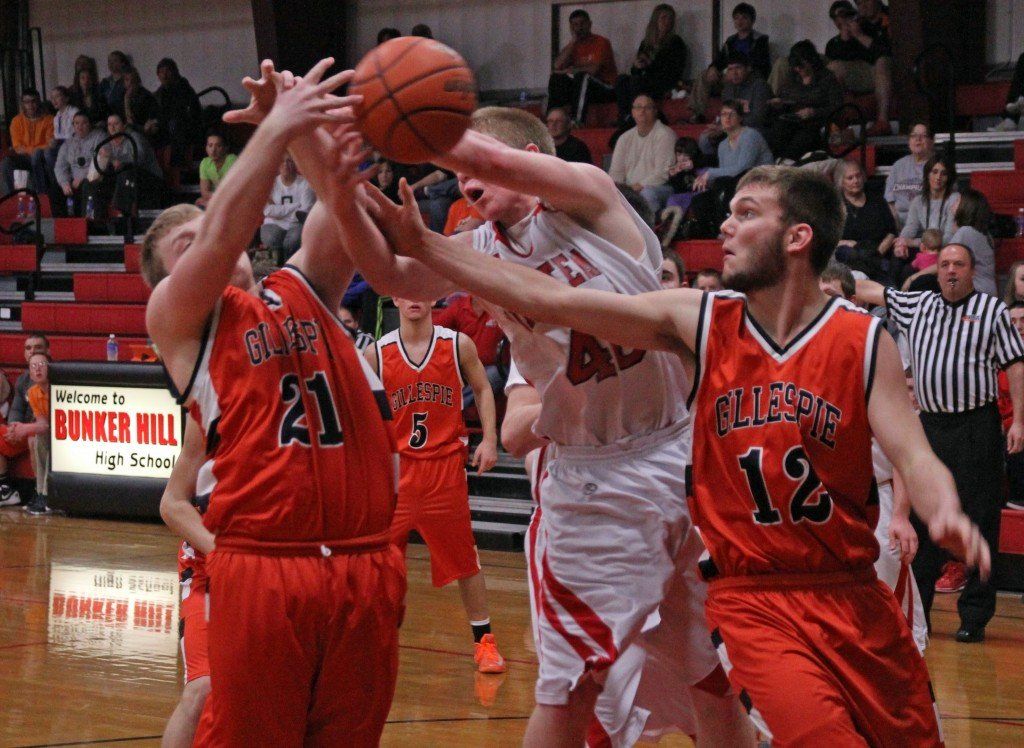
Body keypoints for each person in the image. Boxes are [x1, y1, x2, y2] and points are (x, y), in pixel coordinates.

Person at [384, 164, 989, 744]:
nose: (723, 226)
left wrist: (945, 511)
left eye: (745, 213)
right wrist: (433, 249)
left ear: (798, 237)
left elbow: (914, 455)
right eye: (727, 212)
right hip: (758, 597)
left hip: (853, 588)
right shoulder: (699, 319)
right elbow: (558, 303)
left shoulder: (861, 340)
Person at [337, 107, 752, 745]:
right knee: (574, 687)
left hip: (682, 456)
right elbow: (392, 274)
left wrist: (405, 121)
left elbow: (491, 161)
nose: (467, 184)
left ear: (535, 156)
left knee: (710, 675)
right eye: (463, 174)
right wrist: (333, 181)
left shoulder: (591, 198)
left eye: (479, 167)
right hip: (596, 480)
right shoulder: (476, 249)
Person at [143, 58, 405, 744]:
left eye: (203, 231)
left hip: (365, 561)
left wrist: (303, 134)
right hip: (265, 564)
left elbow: (339, 210)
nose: (205, 243)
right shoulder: (179, 322)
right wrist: (276, 132)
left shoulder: (303, 288)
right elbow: (227, 230)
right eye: (183, 244)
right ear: (162, 279)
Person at [857, 243, 1024, 643]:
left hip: (976, 425)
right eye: (944, 264)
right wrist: (831, 283)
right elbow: (869, 291)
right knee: (919, 520)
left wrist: (1019, 419)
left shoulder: (992, 311)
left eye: (958, 265)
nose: (950, 271)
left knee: (981, 516)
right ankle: (921, 614)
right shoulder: (919, 304)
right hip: (928, 426)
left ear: (971, 271)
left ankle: (974, 617)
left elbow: (1015, 365)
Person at [365, 296, 506, 676]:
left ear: (431, 296)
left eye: (420, 291)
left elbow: (483, 388)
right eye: (405, 292)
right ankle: (373, 640)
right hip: (398, 474)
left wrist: (490, 439)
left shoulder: (457, 344)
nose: (413, 299)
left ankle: (485, 642)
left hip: (444, 470)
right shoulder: (376, 353)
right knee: (377, 563)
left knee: (465, 561)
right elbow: (361, 411)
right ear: (395, 297)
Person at [819, 261, 928, 653]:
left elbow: (903, 454)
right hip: (819, 502)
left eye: (830, 297)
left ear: (853, 301)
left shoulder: (879, 356)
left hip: (876, 501)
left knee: (891, 627)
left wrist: (901, 514)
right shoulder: (802, 357)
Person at [158, 418, 212, 748]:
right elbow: (172, 504)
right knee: (202, 689)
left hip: (278, 568)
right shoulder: (209, 405)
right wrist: (227, 554)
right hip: (210, 567)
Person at [689, 100, 773, 236]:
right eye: (723, 114)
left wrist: (710, 173)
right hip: (733, 184)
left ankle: (728, 231)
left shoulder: (750, 136)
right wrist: (704, 180)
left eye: (731, 114)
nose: (727, 118)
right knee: (700, 200)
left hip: (758, 182)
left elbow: (742, 167)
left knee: (724, 185)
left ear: (740, 118)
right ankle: (710, 236)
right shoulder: (722, 145)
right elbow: (725, 172)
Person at [825, 0, 893, 137]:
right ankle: (843, 120)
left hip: (889, 68)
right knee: (834, 67)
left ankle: (882, 122)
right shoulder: (859, 21)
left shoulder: (890, 16)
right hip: (866, 71)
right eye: (859, 3)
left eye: (865, 2)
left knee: (881, 61)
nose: (862, 6)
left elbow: (886, 51)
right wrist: (845, 35)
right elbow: (840, 57)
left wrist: (860, 36)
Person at [766, 41, 843, 162]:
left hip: (816, 123)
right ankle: (777, 162)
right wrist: (780, 104)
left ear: (811, 60)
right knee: (777, 131)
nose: (798, 69)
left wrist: (814, 112)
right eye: (795, 66)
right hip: (793, 120)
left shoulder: (827, 78)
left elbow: (837, 107)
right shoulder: (792, 79)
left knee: (804, 137)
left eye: (801, 65)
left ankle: (787, 163)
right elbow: (785, 98)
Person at [691, 4, 770, 121]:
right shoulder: (731, 41)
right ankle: (697, 113)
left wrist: (735, 72)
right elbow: (719, 61)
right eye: (737, 18)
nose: (739, 21)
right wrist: (713, 68)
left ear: (752, 21)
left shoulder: (759, 40)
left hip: (749, 78)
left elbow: (761, 66)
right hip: (728, 76)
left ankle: (727, 117)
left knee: (734, 76)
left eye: (744, 18)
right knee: (704, 75)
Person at [83, 112, 165, 222]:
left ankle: (124, 216)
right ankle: (96, 219)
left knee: (125, 169)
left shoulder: (134, 137)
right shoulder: (108, 142)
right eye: (109, 124)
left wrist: (117, 160)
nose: (112, 127)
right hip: (124, 180)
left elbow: (139, 158)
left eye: (116, 123)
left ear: (124, 125)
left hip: (149, 179)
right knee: (93, 182)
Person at [614, 4, 689, 124]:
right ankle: (625, 115)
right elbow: (636, 71)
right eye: (664, 18)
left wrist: (650, 64)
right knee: (622, 79)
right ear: (656, 20)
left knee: (637, 82)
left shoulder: (676, 42)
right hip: (646, 79)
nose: (667, 22)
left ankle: (634, 115)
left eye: (670, 18)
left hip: (664, 81)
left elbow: (674, 70)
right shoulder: (646, 43)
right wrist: (637, 66)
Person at [608, 94, 677, 214]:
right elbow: (616, 172)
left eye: (647, 107)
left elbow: (663, 173)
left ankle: (649, 230)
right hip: (629, 189)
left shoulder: (665, 135)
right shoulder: (624, 138)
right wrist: (620, 190)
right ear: (633, 112)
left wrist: (637, 187)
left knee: (647, 194)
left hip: (658, 188)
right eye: (638, 107)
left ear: (655, 111)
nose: (642, 111)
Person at [433, 294, 506, 406]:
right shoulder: (460, 305)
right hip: (465, 365)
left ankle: (451, 408)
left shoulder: (501, 307)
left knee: (492, 375)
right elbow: (433, 330)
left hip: (495, 367)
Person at [832, 159, 898, 284]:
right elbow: (828, 238)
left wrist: (876, 254)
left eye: (858, 176)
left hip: (877, 256)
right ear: (841, 182)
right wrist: (849, 243)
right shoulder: (834, 205)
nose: (855, 181)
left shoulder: (877, 200)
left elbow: (891, 232)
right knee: (849, 254)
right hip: (849, 262)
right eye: (850, 178)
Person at [548, 9, 618, 124]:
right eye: (575, 25)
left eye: (582, 23)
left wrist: (571, 70)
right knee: (556, 79)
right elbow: (557, 66)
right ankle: (552, 118)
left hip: (605, 87)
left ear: (589, 24)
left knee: (583, 77)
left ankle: (577, 121)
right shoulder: (573, 46)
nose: (579, 27)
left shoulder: (601, 42)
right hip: (581, 89)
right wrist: (572, 43)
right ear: (571, 27)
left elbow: (594, 70)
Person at [894, 155, 959, 258]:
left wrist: (913, 243)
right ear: (927, 174)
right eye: (934, 172)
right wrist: (901, 244)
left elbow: (948, 237)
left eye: (944, 174)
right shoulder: (918, 201)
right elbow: (910, 228)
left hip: (944, 250)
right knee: (898, 259)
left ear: (949, 177)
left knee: (908, 269)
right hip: (923, 248)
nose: (938, 177)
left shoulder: (954, 199)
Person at [261, 155, 315, 265]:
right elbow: (267, 211)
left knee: (292, 241)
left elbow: (303, 213)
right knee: (270, 238)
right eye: (282, 161)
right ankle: (276, 264)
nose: (285, 165)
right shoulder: (270, 184)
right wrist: (296, 205)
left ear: (296, 164)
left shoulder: (305, 184)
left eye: (290, 161)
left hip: (296, 223)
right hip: (274, 223)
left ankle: (291, 265)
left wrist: (277, 211)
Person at [1, 88, 54, 196]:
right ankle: (10, 198)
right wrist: (36, 149)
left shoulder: (49, 119)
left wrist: (34, 150)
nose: (30, 105)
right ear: (22, 104)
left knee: (37, 155)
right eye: (27, 102)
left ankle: (42, 195)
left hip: (42, 157)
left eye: (33, 101)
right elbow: (17, 147)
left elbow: (50, 144)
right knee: (5, 163)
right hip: (24, 157)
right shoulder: (16, 121)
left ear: (38, 102)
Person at [154, 58, 203, 167]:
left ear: (174, 72)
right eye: (161, 72)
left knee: (175, 126)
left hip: (186, 127)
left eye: (167, 71)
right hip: (167, 127)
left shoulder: (183, 88)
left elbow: (189, 113)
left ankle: (178, 167)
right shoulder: (160, 93)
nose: (164, 75)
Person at [19, 352, 52, 515]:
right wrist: (23, 428)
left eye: (42, 365)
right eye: (33, 366)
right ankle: (40, 492)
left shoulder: (57, 388)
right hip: (49, 431)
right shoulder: (32, 392)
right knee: (39, 438)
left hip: (66, 432)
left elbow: (50, 425)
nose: (38, 369)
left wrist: (25, 428)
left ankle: (47, 494)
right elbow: (43, 424)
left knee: (47, 439)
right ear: (30, 373)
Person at [948, 188, 997, 296]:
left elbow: (945, 263)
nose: (953, 203)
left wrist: (912, 277)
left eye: (957, 201)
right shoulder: (985, 234)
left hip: (976, 294)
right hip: (988, 292)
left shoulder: (965, 232)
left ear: (966, 206)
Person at [53, 112, 104, 217]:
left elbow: (100, 162)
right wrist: (64, 183)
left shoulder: (99, 137)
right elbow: (60, 166)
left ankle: (88, 223)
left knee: (87, 185)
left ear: (90, 124)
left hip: (94, 180)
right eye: (76, 123)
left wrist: (83, 177)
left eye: (84, 123)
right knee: (54, 189)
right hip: (74, 181)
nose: (80, 127)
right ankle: (63, 225)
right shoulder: (68, 143)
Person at [885, 122, 934, 229]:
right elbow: (889, 202)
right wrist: (895, 226)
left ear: (931, 142)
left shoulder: (938, 166)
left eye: (923, 136)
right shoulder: (898, 166)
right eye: (914, 136)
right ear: (909, 141)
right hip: (899, 223)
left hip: (927, 223)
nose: (918, 139)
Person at [1001, 303, 1024, 510]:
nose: (1018, 326)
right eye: (1013, 322)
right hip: (1004, 429)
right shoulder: (998, 361)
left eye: (1023, 320)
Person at [39, 86, 79, 199]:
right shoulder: (57, 117)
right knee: (40, 153)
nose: (54, 100)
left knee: (48, 153)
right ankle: (45, 189)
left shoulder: (73, 112)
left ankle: (57, 183)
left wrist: (58, 140)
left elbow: (75, 133)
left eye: (57, 96)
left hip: (72, 143)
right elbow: (57, 134)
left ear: (66, 98)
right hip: (61, 144)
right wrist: (53, 140)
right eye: (52, 98)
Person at [196, 132, 236, 207]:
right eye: (210, 145)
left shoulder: (232, 160)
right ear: (206, 147)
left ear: (225, 148)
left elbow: (232, 192)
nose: (213, 150)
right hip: (216, 200)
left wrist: (210, 203)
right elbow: (204, 192)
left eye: (218, 146)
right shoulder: (205, 163)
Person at [123, 68, 160, 141]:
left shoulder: (146, 96)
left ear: (138, 81)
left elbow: (131, 122)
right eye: (127, 80)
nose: (130, 83)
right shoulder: (122, 95)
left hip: (143, 130)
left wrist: (126, 100)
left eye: (133, 80)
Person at [100, 50, 130, 118]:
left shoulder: (127, 81)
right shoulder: (105, 82)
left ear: (123, 63)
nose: (111, 63)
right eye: (109, 61)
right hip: (106, 118)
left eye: (115, 61)